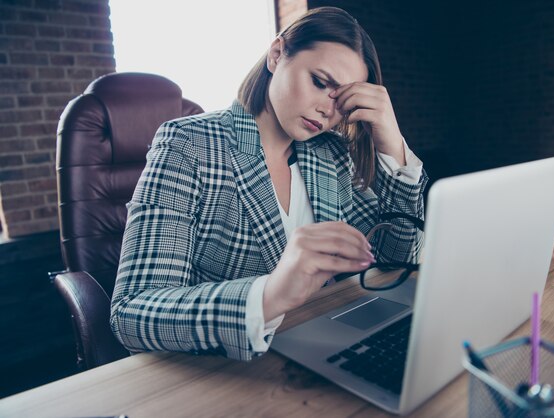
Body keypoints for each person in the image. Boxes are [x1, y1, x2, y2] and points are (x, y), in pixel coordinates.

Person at [110, 7, 428, 361]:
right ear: (277, 55)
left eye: (342, 101)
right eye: (320, 83)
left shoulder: (331, 153)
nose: (327, 110)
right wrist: (269, 293)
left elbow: (394, 264)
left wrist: (393, 147)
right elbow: (131, 312)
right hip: (224, 366)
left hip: (318, 347)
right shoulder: (189, 143)